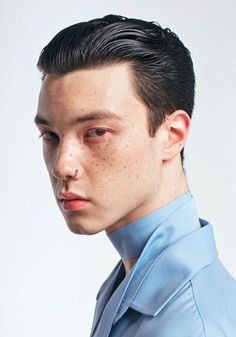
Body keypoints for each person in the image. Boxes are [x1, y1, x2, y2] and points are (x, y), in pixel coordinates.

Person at [34, 14, 236, 337]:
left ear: (172, 134)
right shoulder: (130, 281)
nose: (62, 166)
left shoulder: (195, 326)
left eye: (96, 132)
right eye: (51, 136)